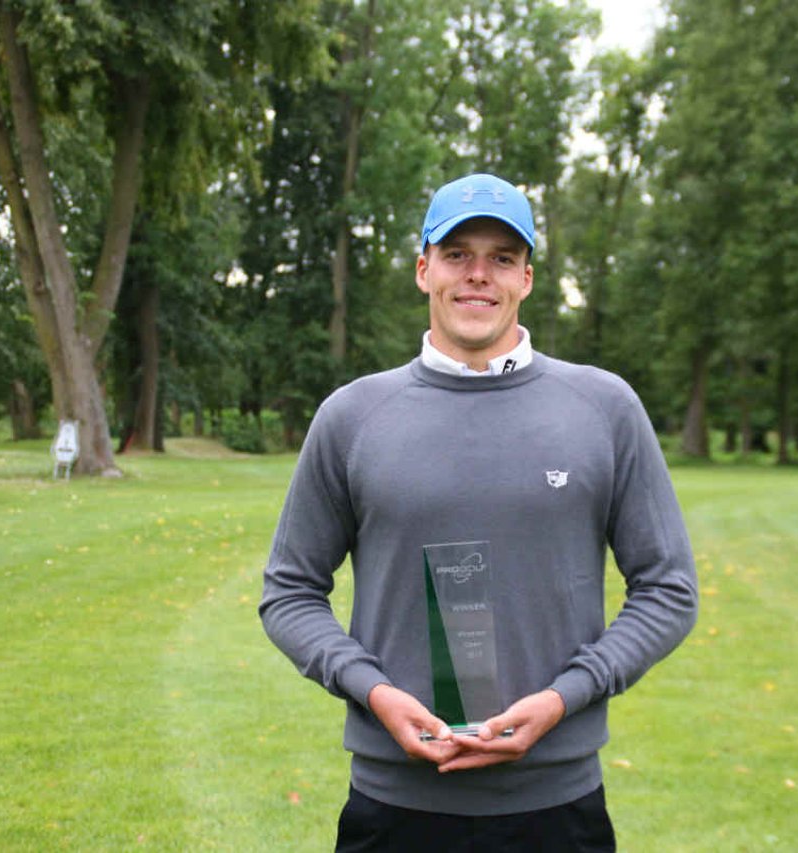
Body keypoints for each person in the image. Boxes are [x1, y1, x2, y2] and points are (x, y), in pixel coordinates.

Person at [260, 173, 697, 852]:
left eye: (500, 257)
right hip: (393, 805)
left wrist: (564, 696)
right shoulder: (352, 416)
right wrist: (373, 691)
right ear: (422, 268)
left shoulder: (604, 408)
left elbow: (669, 589)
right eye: (458, 253)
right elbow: (289, 591)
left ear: (526, 276)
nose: (478, 275)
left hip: (557, 807)